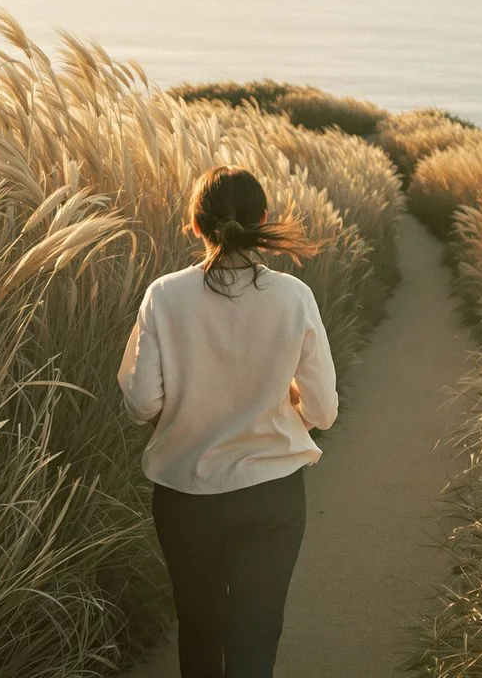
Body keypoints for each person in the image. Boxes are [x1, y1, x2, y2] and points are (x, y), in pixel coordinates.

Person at [117, 164, 339, 678]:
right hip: (273, 492)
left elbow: (142, 404)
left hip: (185, 493)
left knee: (199, 629)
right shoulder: (293, 296)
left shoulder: (165, 295)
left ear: (196, 224)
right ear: (263, 219)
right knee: (255, 634)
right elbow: (324, 410)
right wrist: (281, 418)